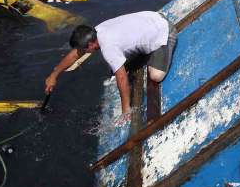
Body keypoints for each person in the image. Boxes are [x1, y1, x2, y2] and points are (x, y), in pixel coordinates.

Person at [44, 11, 177, 118]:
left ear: (91, 44)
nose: (83, 52)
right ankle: (145, 47)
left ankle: (156, 49)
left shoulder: (108, 47)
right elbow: (74, 54)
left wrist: (126, 110)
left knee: (156, 76)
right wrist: (54, 75)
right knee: (117, 64)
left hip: (163, 31)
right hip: (152, 16)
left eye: (84, 49)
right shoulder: (96, 31)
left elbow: (122, 78)